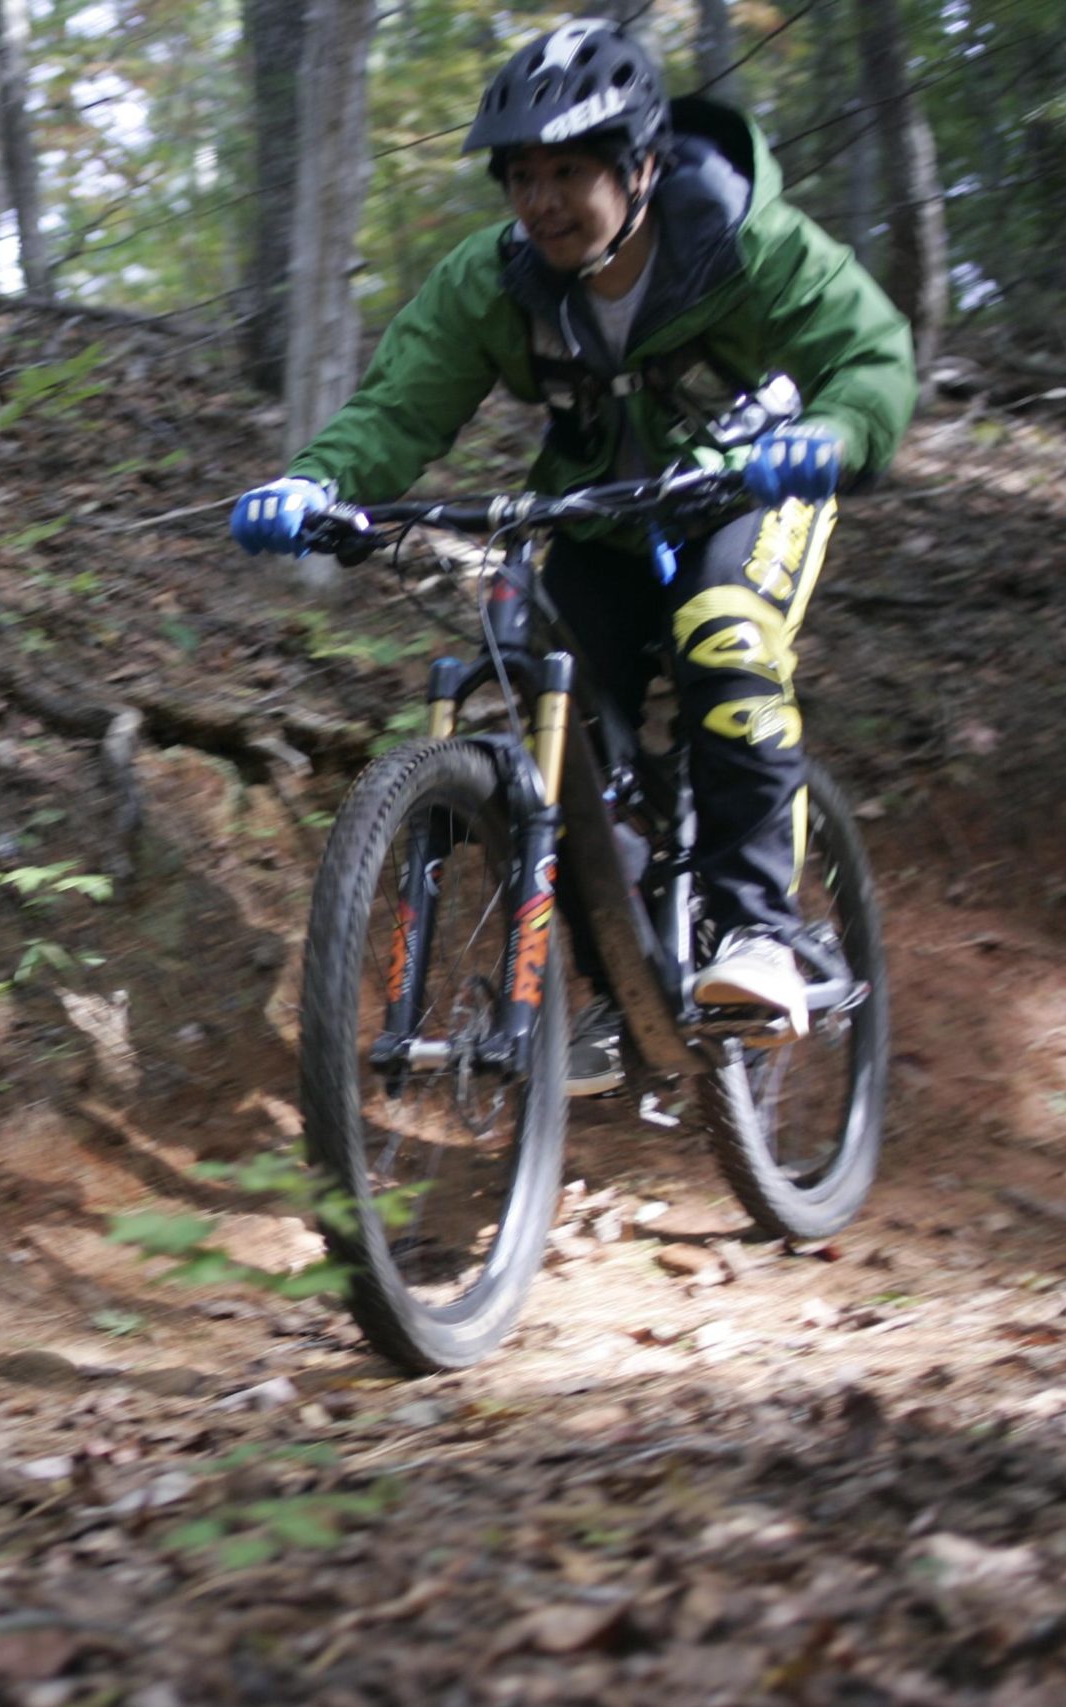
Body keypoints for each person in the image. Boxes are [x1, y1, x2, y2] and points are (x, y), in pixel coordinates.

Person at [232, 16, 915, 1091]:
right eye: (520, 176)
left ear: (640, 167)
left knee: (722, 630)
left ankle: (760, 937)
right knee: (560, 733)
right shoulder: (494, 280)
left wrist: (828, 438)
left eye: (570, 171)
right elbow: (400, 408)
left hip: (745, 493)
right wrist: (316, 484)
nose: (541, 200)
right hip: (593, 517)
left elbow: (869, 353)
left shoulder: (746, 241)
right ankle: (623, 986)